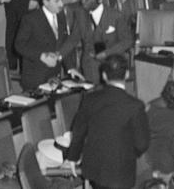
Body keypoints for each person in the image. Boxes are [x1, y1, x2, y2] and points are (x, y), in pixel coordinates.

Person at [62, 54, 150, 189]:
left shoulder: (89, 99)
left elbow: (78, 132)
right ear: (126, 74)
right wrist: (127, 153)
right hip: (120, 172)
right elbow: (142, 144)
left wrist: (72, 157)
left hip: (94, 168)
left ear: (104, 76)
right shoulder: (135, 105)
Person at [66, 0, 132, 81]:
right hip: (90, 63)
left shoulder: (115, 15)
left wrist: (106, 53)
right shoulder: (80, 16)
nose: (83, 1)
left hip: (112, 62)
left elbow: (127, 41)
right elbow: (72, 40)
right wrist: (59, 56)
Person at [15, 0, 75, 90]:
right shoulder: (31, 19)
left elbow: (64, 44)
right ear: (45, 2)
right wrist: (41, 56)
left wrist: (70, 68)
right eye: (56, 1)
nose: (61, 4)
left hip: (54, 76)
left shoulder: (61, 16)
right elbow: (19, 45)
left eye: (61, 0)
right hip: (36, 77)